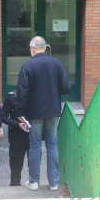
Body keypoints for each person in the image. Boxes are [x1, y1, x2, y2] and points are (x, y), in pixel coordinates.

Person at [15, 36, 72, 191]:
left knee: (34, 147)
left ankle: (34, 182)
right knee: (52, 145)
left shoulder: (27, 66)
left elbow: (22, 92)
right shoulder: (57, 64)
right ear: (45, 48)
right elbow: (66, 87)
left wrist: (19, 111)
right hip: (53, 111)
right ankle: (54, 183)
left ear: (32, 49)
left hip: (34, 113)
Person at [2, 91, 30, 186]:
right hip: (17, 136)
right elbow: (3, 116)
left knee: (34, 166)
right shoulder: (11, 97)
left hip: (34, 136)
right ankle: (15, 188)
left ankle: (34, 185)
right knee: (15, 167)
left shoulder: (37, 95)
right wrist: (17, 124)